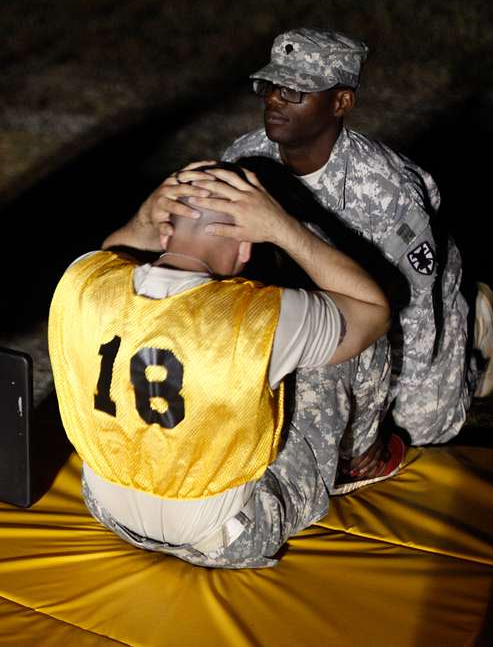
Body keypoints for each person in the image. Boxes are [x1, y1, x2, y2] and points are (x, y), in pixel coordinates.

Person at [139, 28, 493, 446]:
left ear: (341, 102)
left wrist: (386, 411)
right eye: (272, 86)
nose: (274, 99)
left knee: (420, 426)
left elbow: (417, 304)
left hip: (399, 294)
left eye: (295, 91)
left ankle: (471, 324)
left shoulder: (388, 191)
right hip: (317, 292)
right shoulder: (245, 158)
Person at [48, 163, 398, 568]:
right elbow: (374, 312)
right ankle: (359, 458)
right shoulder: (260, 313)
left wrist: (145, 214)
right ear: (247, 246)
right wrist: (284, 228)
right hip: (225, 539)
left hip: (107, 511)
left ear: (164, 231)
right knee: (349, 338)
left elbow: (114, 252)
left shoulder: (84, 278)